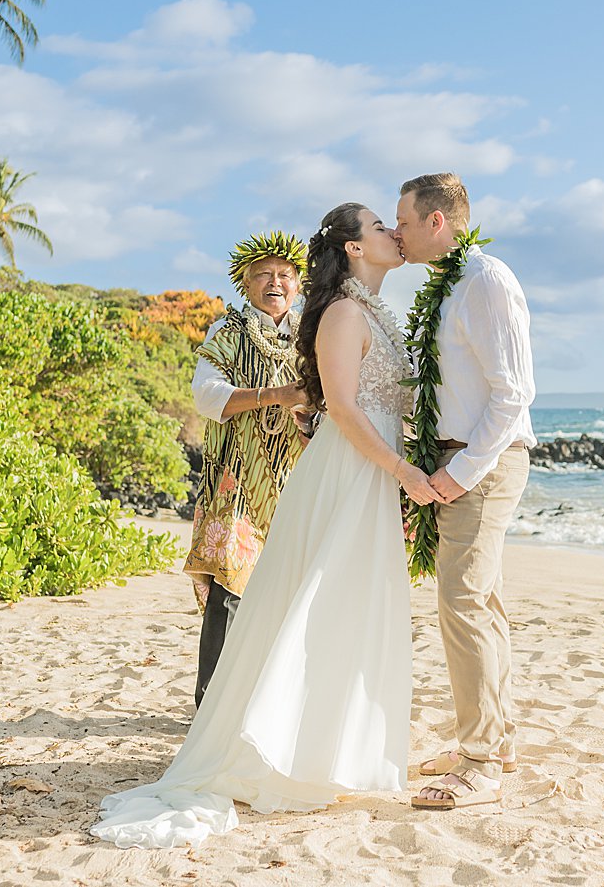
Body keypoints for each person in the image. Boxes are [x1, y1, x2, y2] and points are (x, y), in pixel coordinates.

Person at [90, 204, 443, 849]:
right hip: (324, 473)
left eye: (283, 273)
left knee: (345, 604)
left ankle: (333, 747)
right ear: (354, 248)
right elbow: (338, 405)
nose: (394, 231)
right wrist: (399, 470)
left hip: (347, 472)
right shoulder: (333, 314)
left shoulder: (364, 313)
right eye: (379, 225)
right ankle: (268, 740)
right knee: (291, 600)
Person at [392, 172, 536, 811]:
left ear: (436, 222)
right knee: (482, 601)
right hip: (463, 459)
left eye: (403, 220)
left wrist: (461, 471)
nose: (396, 231)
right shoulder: (452, 285)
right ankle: (494, 741)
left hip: (485, 463)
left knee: (463, 602)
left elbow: (513, 393)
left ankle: (480, 763)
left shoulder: (485, 280)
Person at [185, 231, 312, 707]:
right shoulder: (228, 332)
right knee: (229, 591)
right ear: (245, 282)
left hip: (298, 480)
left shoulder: (313, 335)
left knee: (290, 593)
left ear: (299, 284)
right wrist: (276, 396)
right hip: (236, 480)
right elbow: (206, 395)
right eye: (264, 275)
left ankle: (269, 703)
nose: (275, 282)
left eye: (285, 275)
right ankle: (211, 704)